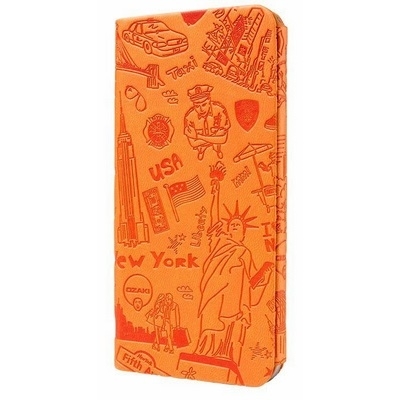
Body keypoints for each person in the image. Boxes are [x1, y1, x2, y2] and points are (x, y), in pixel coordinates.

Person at [195, 162, 272, 367]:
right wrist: (216, 186)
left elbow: (252, 280)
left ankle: (225, 355)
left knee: (228, 332)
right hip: (214, 294)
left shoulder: (245, 252)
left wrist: (266, 271)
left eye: (238, 225)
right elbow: (214, 218)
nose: (234, 226)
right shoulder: (220, 243)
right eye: (232, 225)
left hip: (233, 303)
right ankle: (205, 352)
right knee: (210, 329)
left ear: (243, 232)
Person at [184, 85, 230, 160]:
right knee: (213, 143)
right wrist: (215, 138)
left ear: (209, 101)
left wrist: (198, 137)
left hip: (206, 143)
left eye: (204, 104)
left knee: (217, 145)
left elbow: (223, 139)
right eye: (197, 106)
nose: (201, 109)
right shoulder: (189, 117)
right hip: (210, 143)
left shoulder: (220, 110)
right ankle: (202, 150)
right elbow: (193, 143)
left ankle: (217, 150)